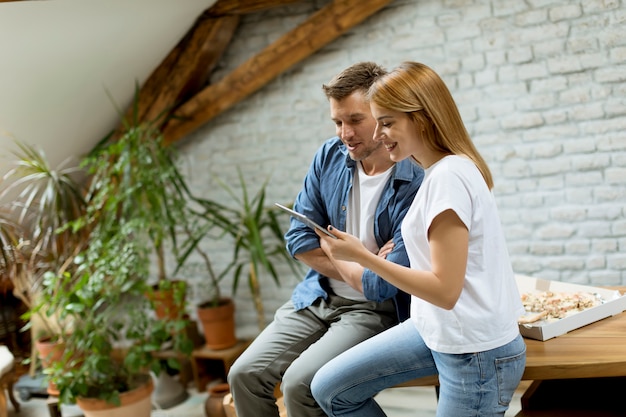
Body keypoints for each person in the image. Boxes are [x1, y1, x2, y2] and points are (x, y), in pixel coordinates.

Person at [310, 61, 526, 417]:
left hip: (474, 353)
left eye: (388, 122)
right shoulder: (441, 172)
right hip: (435, 330)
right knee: (330, 388)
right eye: (377, 122)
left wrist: (363, 257)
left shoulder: (448, 178)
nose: (379, 134)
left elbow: (444, 290)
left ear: (422, 118)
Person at [227, 62, 424, 417]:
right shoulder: (329, 157)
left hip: (374, 312)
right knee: (243, 374)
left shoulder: (416, 178)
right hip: (317, 296)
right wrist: (361, 259)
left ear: (382, 114)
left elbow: (379, 288)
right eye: (337, 122)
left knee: (300, 384)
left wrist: (350, 259)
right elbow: (298, 239)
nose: (344, 133)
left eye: (355, 120)